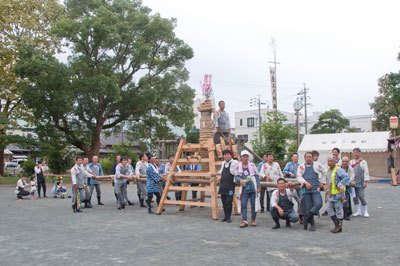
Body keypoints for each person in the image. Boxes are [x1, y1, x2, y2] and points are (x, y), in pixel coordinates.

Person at [297, 152, 325, 231]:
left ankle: (307, 217)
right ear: (304, 158)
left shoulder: (317, 165)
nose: (308, 158)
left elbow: (325, 172)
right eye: (307, 157)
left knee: (319, 203)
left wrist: (322, 182)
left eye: (310, 157)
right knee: (308, 207)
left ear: (312, 158)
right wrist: (305, 183)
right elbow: (299, 176)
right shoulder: (301, 166)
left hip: (316, 189)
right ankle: (312, 224)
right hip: (306, 190)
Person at [235, 150, 260, 228]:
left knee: (254, 204)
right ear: (241, 157)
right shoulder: (238, 166)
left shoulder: (252, 165)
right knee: (243, 204)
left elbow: (256, 175)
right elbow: (236, 176)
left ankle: (253, 219)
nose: (245, 158)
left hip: (252, 187)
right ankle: (244, 220)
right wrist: (240, 180)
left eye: (246, 156)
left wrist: (258, 186)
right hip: (244, 188)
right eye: (244, 156)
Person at [325, 157, 350, 233]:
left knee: (338, 210)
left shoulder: (338, 170)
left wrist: (340, 184)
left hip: (338, 194)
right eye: (329, 161)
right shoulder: (328, 170)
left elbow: (346, 177)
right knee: (329, 209)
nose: (330, 163)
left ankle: (339, 226)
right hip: (330, 194)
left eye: (332, 161)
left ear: (335, 162)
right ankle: (336, 224)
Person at [214, 149, 238, 223]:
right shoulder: (223, 163)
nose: (226, 156)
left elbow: (237, 173)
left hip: (230, 185)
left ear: (231, 155)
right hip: (223, 185)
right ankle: (225, 216)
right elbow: (221, 171)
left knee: (229, 201)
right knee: (223, 201)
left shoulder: (235, 163)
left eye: (228, 154)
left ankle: (228, 217)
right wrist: (215, 174)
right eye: (225, 154)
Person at [350, 148, 370, 217]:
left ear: (359, 153)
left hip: (360, 182)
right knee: (354, 197)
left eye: (357, 152)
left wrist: (365, 181)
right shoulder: (351, 162)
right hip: (353, 182)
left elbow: (366, 172)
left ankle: (365, 211)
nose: (355, 154)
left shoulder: (363, 162)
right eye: (354, 152)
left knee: (361, 196)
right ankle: (358, 211)